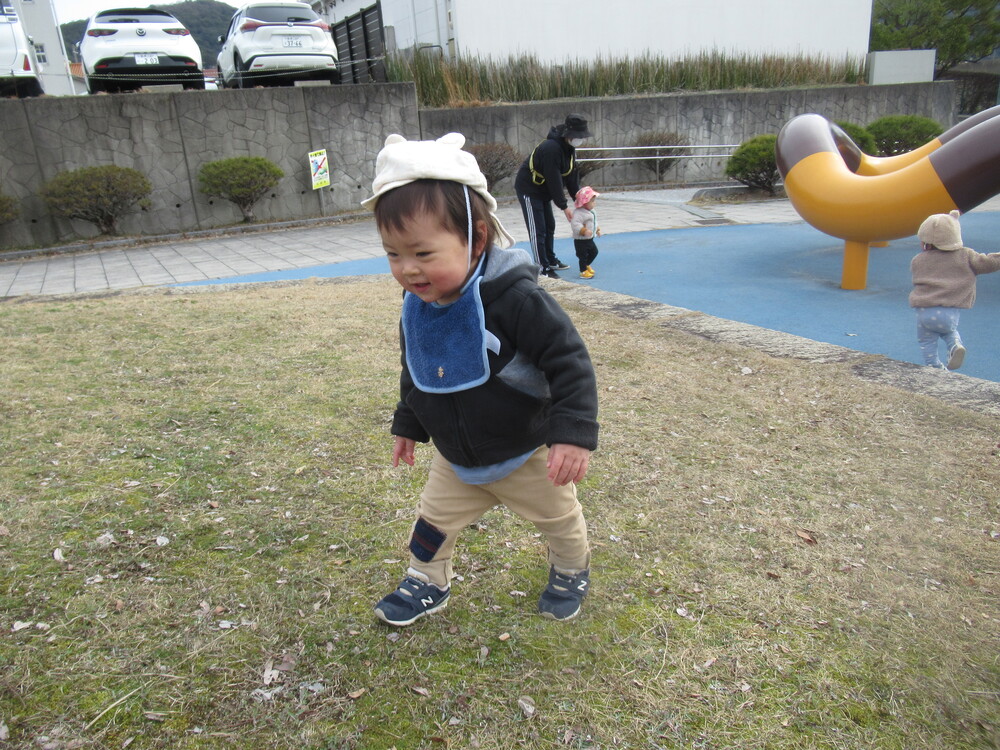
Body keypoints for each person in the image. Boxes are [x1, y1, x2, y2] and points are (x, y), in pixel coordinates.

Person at [362, 133, 600, 627]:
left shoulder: (515, 298)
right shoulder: (419, 306)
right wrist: (408, 422)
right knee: (431, 524)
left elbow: (568, 360)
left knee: (559, 520)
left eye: (423, 254)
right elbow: (418, 368)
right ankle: (427, 580)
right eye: (393, 254)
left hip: (525, 452)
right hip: (456, 456)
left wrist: (572, 433)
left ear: (477, 240)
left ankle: (571, 569)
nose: (407, 270)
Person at [909, 209, 1000, 370]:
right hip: (948, 312)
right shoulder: (966, 256)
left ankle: (933, 366)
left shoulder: (918, 260)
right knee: (949, 332)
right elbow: (987, 263)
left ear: (926, 242)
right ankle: (954, 346)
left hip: (924, 312)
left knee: (926, 341)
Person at [514, 113, 593, 278]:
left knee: (549, 225)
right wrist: (564, 206)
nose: (580, 139)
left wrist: (579, 200)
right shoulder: (551, 148)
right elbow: (554, 179)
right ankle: (541, 267)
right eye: (578, 136)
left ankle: (550, 259)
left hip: (544, 191)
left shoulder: (569, 149)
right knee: (538, 229)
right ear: (568, 134)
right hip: (529, 189)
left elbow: (571, 176)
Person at [571, 186, 601, 279]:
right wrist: (583, 230)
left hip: (589, 238)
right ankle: (583, 271)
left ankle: (587, 264)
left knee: (594, 252)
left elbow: (594, 222)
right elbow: (575, 224)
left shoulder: (591, 212)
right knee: (582, 256)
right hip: (581, 240)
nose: (594, 203)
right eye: (592, 201)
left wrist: (597, 229)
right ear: (584, 203)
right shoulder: (578, 213)